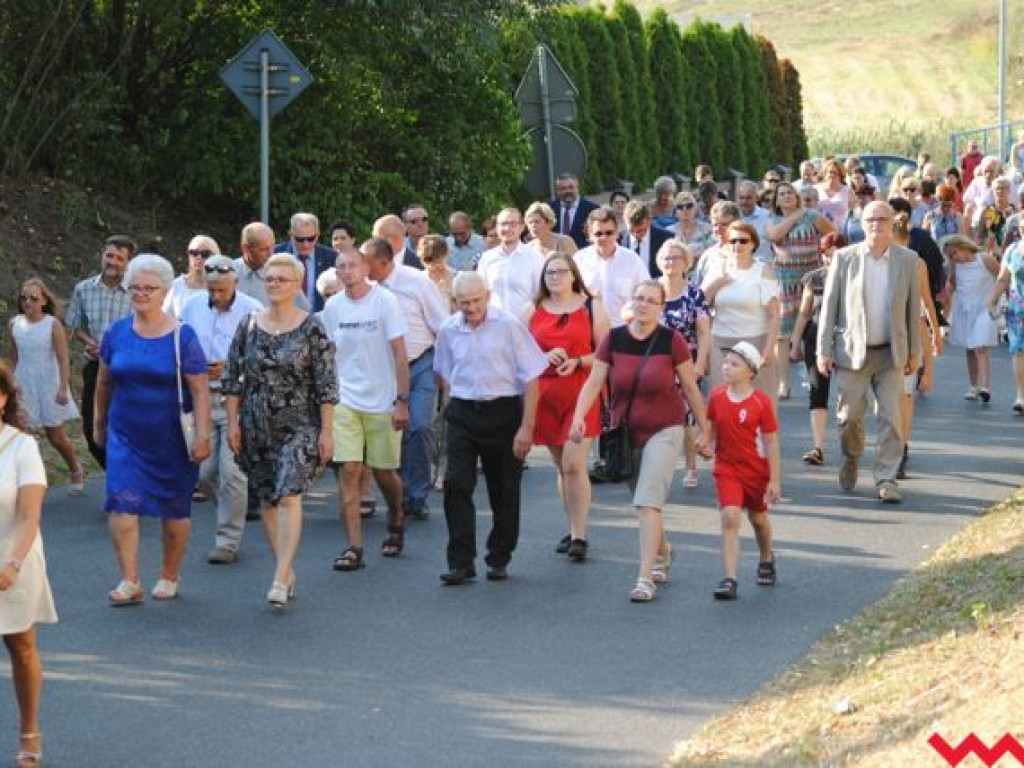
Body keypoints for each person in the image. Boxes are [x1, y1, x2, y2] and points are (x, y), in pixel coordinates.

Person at [570, 280, 710, 602]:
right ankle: (663, 552)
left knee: (647, 502)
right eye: (639, 298)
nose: (644, 304)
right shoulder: (614, 339)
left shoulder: (670, 340)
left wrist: (705, 430)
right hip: (625, 432)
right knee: (644, 502)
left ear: (662, 307)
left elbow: (689, 387)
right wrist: (578, 418)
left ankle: (644, 578)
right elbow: (594, 383)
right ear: (631, 303)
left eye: (651, 300)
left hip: (665, 427)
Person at [94, 254, 213, 604]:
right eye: (136, 287)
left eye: (149, 288)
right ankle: (129, 581)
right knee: (121, 503)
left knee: (174, 510)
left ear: (164, 292)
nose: (141, 293)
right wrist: (98, 424)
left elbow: (200, 389)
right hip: (125, 435)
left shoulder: (182, 337)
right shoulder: (115, 333)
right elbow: (103, 382)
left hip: (172, 437)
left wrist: (203, 436)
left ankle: (169, 574)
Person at [223, 254, 337, 610]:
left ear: (297, 285)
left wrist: (327, 431)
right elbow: (232, 377)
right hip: (257, 421)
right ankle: (284, 570)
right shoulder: (249, 324)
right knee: (269, 498)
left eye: (281, 280)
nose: (274, 285)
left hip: (300, 422)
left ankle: (279, 575)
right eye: (270, 279)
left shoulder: (312, 327)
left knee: (289, 493)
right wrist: (232, 423)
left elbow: (326, 384)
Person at [433, 272, 547, 585]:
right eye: (464, 303)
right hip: (463, 412)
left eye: (476, 300)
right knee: (456, 483)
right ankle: (461, 561)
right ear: (455, 302)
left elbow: (533, 377)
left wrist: (527, 426)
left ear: (488, 296)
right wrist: (446, 416)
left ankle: (499, 556)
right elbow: (444, 374)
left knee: (504, 489)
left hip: (504, 412)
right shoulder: (448, 329)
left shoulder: (509, 325)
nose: (471, 308)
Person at [817, 202, 921, 503]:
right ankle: (851, 457)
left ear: (892, 224)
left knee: (892, 417)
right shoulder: (844, 258)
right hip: (852, 352)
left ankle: (886, 478)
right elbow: (830, 308)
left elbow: (912, 310)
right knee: (849, 417)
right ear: (862, 224)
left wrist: (915, 351)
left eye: (883, 219)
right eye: (871, 219)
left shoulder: (908, 260)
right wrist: (823, 350)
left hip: (891, 353)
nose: (877, 224)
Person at [323, 242, 410, 571]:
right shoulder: (332, 307)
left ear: (365, 269)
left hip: (382, 399)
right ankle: (354, 547)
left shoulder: (385, 301)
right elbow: (329, 357)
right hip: (345, 399)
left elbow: (401, 356)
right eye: (340, 267)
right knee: (349, 470)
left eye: (352, 266)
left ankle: (396, 516)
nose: (346, 272)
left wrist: (401, 401)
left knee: (384, 472)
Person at [525, 254, 609, 562]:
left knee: (575, 464)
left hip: (581, 393)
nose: (555, 277)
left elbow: (605, 353)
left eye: (561, 271)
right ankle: (572, 525)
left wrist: (578, 361)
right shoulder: (533, 309)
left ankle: (580, 535)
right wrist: (543, 357)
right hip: (545, 395)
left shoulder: (591, 306)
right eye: (549, 272)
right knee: (562, 467)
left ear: (574, 275)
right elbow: (519, 351)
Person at [180, 256, 263, 565]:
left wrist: (231, 366)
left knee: (232, 475)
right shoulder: (191, 307)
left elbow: (264, 357)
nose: (215, 296)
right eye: (211, 290)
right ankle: (234, 508)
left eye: (222, 291)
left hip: (237, 401)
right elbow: (182, 345)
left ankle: (227, 540)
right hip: (201, 399)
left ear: (236, 284)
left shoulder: (253, 310)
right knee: (201, 472)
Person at [365, 236, 446, 522]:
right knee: (393, 431)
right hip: (384, 369)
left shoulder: (417, 282)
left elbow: (441, 324)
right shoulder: (367, 289)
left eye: (368, 262)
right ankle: (398, 495)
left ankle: (417, 495)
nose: (363, 268)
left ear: (384, 262)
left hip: (421, 362)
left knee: (420, 426)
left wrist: (444, 369)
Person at [0, 361, 56, 768]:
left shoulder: (21, 446)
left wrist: (12, 563)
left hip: (12, 556)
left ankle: (29, 730)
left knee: (20, 648)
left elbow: (29, 514)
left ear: (2, 399)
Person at [706, 342, 780, 601]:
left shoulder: (761, 403)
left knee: (758, 520)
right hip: (727, 469)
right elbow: (712, 428)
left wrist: (774, 480)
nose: (727, 367)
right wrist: (704, 443)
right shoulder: (716, 396)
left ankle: (766, 557)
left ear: (751, 371)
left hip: (755, 472)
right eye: (726, 362)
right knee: (730, 517)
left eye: (734, 364)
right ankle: (729, 579)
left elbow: (771, 442)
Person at [66, 234, 136, 468]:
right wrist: (89, 342)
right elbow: (74, 325)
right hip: (95, 367)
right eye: (109, 255)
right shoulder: (84, 289)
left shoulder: (137, 293)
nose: (113, 262)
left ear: (128, 263)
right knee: (91, 430)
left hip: (127, 367)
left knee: (127, 426)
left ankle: (127, 479)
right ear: (102, 256)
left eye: (119, 258)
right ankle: (116, 472)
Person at [9, 279, 84, 495]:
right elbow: (13, 358)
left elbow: (63, 358)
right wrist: (7, 384)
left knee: (55, 437)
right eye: (24, 297)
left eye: (34, 297)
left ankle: (75, 469)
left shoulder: (52, 323)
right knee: (23, 437)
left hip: (49, 384)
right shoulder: (15, 324)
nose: (28, 301)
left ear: (43, 301)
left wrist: (63, 388)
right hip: (24, 383)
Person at [701, 221, 782, 408]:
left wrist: (769, 349)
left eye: (743, 241)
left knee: (760, 403)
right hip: (721, 343)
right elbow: (699, 305)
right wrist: (718, 282)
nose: (738, 245)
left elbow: (773, 315)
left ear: (753, 244)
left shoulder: (763, 270)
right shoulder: (717, 268)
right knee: (722, 403)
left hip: (755, 343)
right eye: (733, 241)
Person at [768, 181, 835, 398]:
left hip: (811, 277)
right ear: (776, 200)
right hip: (784, 280)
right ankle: (783, 383)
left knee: (811, 328)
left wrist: (827, 257)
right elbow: (775, 236)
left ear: (796, 197)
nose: (787, 197)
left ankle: (811, 376)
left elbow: (833, 236)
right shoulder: (773, 219)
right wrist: (795, 216)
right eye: (782, 194)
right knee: (783, 333)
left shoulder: (813, 216)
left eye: (790, 193)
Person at [789, 233, 847, 466]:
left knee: (848, 393)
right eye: (825, 255)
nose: (829, 260)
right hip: (815, 337)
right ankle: (818, 447)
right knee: (817, 391)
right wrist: (795, 342)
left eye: (834, 255)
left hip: (845, 340)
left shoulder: (855, 277)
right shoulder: (813, 279)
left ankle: (849, 445)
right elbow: (804, 312)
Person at [656, 241, 710, 489]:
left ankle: (690, 467)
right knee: (656, 417)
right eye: (666, 258)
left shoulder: (694, 294)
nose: (670, 263)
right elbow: (632, 312)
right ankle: (656, 467)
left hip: (685, 362)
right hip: (655, 363)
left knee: (686, 418)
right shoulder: (651, 289)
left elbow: (703, 331)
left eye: (675, 258)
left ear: (685, 262)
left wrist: (700, 364)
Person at [942, 234, 999, 403]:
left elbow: (1003, 277)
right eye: (950, 256)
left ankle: (985, 387)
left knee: (980, 345)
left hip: (983, 308)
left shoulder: (985, 260)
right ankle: (973, 386)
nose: (954, 258)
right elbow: (951, 285)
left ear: (964, 246)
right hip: (964, 309)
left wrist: (997, 297)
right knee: (969, 347)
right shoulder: (955, 266)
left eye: (955, 253)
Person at [574, 207, 650, 328]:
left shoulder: (632, 260)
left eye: (609, 233)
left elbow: (647, 294)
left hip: (624, 330)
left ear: (617, 233)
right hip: (588, 329)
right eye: (598, 234)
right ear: (590, 235)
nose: (604, 237)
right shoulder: (579, 260)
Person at [476, 207, 545, 319]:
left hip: (525, 326)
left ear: (522, 227)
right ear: (497, 228)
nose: (507, 228)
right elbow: (480, 292)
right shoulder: (487, 258)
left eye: (512, 224)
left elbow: (541, 293)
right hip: (494, 325)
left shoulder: (534, 257)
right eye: (503, 224)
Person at [987, 219, 1024, 412]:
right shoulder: (1012, 251)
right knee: (1018, 351)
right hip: (1018, 309)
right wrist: (992, 299)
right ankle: (1020, 395)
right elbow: (1002, 279)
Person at [274, 212, 337, 311]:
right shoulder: (276, 256)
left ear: (318, 235)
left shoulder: (330, 257)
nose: (305, 244)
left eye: (311, 239)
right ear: (291, 235)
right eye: (300, 239)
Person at [163, 235, 219, 318]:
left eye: (205, 254)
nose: (198, 257)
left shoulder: (223, 286)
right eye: (194, 253)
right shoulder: (177, 285)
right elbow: (165, 319)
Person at [691, 201, 741, 289]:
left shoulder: (747, 253)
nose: (718, 229)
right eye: (715, 225)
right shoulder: (708, 256)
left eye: (724, 225)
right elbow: (696, 287)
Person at [620, 200, 673, 277]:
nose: (635, 234)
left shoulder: (666, 239)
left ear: (649, 221)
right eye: (631, 230)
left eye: (640, 230)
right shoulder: (619, 240)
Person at [550, 173, 598, 249]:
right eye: (563, 188)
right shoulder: (550, 208)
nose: (567, 191)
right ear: (558, 191)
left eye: (571, 187)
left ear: (577, 188)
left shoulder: (592, 209)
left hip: (583, 253)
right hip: (557, 254)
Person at [233, 222, 275, 306]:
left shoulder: (281, 274)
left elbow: (302, 310)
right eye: (264, 249)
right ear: (246, 248)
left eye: (272, 247)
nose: (271, 254)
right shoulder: (228, 273)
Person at [669, 189, 714, 264]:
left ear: (696, 208)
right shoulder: (668, 231)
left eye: (689, 206)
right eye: (680, 207)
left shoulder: (708, 229)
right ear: (676, 211)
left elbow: (713, 250)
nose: (685, 209)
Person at [735, 181, 774, 263]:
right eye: (741, 198)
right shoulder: (733, 217)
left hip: (762, 268)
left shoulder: (768, 217)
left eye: (748, 198)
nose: (744, 202)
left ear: (756, 198)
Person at [419, 234, 458, 313]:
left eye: (439, 261)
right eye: (428, 262)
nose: (434, 266)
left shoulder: (458, 278)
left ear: (447, 254)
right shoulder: (418, 279)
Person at [815, 159, 852, 226]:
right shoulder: (815, 189)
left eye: (836, 173)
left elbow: (855, 210)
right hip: (818, 228)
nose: (832, 175)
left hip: (840, 230)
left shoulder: (848, 191)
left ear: (841, 175)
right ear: (825, 173)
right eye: (830, 172)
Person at [402, 203, 430, 269]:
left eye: (424, 219)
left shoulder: (439, 246)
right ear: (404, 225)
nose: (420, 224)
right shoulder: (399, 248)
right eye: (414, 221)